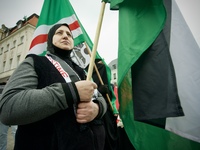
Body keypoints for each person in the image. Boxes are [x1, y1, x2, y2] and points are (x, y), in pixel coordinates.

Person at [0, 23, 107, 150]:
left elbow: (99, 98)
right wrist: (70, 92)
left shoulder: (81, 71)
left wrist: (98, 108)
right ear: (50, 39)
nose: (65, 36)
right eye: (59, 33)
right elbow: (8, 109)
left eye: (69, 34)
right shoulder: (34, 62)